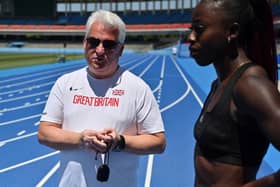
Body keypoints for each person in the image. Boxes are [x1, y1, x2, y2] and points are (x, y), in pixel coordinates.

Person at [38, 10, 166, 187]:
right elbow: (44, 133)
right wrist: (81, 140)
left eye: (109, 44)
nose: (99, 50)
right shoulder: (65, 83)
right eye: (93, 42)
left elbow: (158, 142)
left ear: (120, 49)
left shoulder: (138, 88)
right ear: (84, 43)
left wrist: (120, 142)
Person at [188, 0, 280, 186]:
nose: (191, 37)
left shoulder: (250, 85)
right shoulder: (220, 84)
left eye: (199, 29)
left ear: (232, 32)